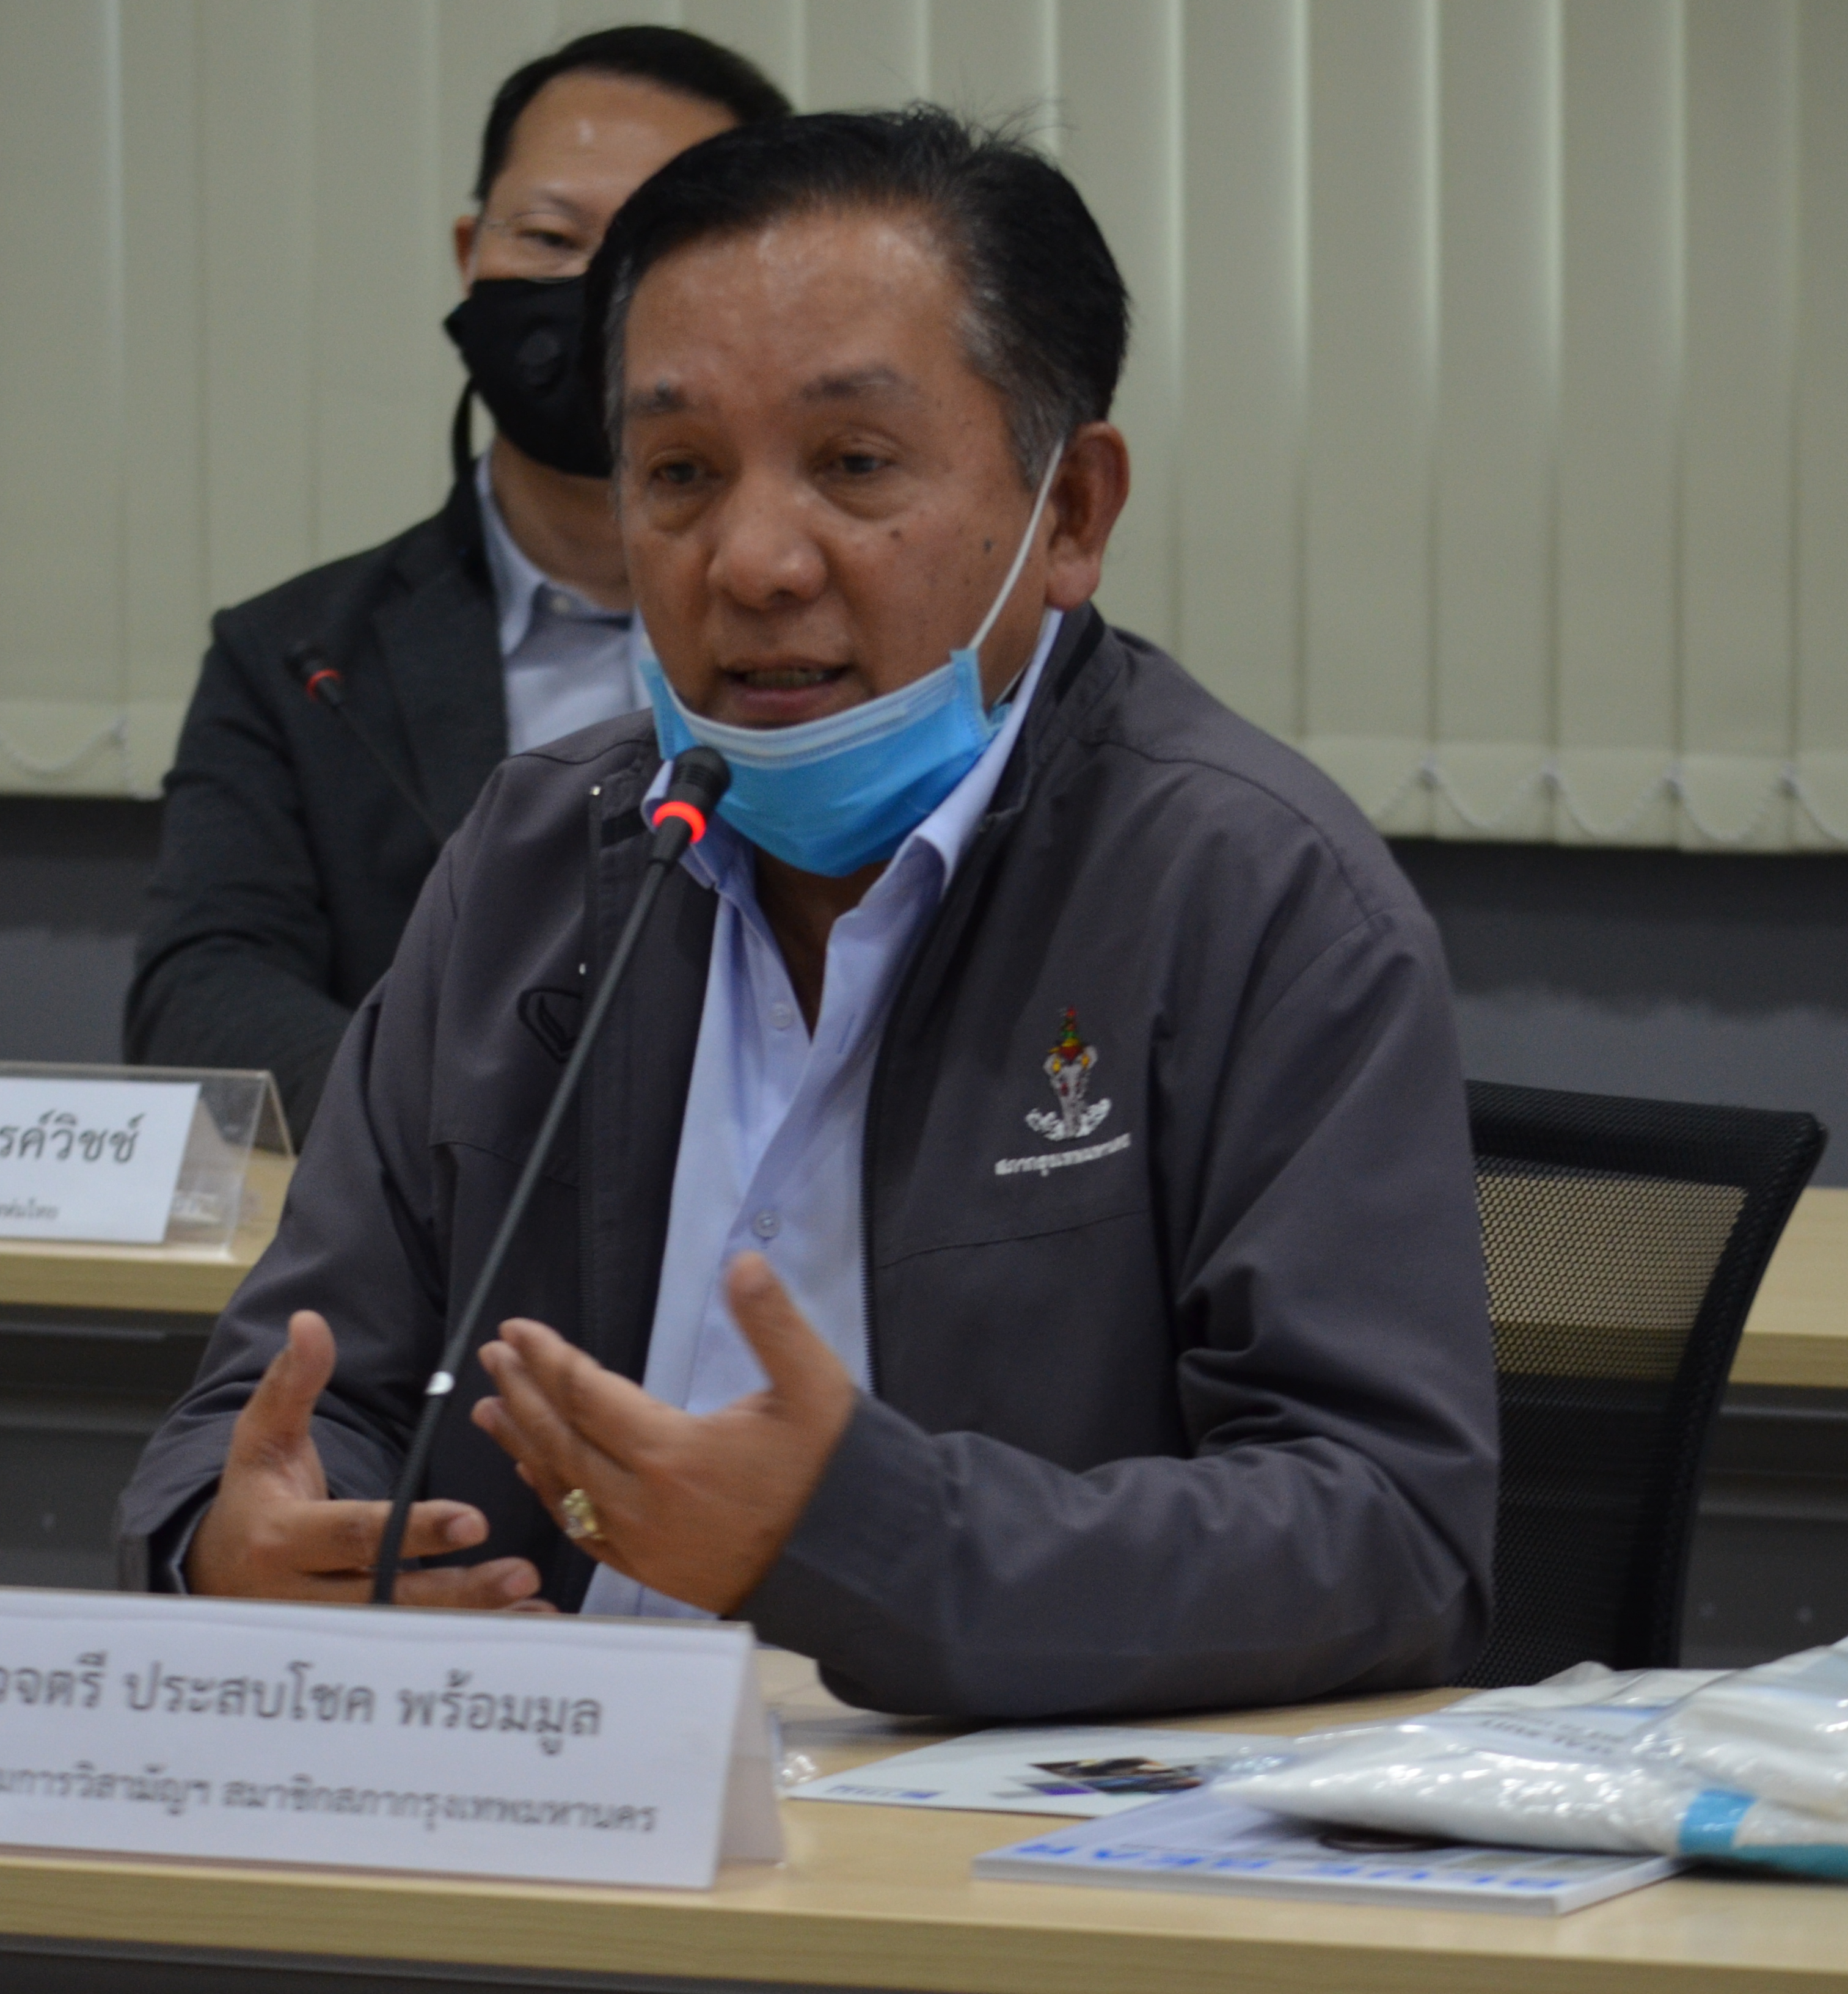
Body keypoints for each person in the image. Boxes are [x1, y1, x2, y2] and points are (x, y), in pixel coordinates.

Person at [117, 109, 1499, 1720]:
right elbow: (293, 1391)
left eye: (853, 465)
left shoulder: (1254, 893)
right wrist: (229, 1539)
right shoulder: (535, 859)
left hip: (973, 1827)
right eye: (681, 476)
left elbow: (1387, 1532)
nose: (755, 562)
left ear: (1069, 514)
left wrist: (865, 1540)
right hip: (535, 1780)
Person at [123, 27, 791, 1134]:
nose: (593, 288)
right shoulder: (296, 657)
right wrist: (459, 1132)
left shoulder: (849, 626)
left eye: (654, 244)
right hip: (427, 1213)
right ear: (471, 251)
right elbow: (201, 994)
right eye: (550, 237)